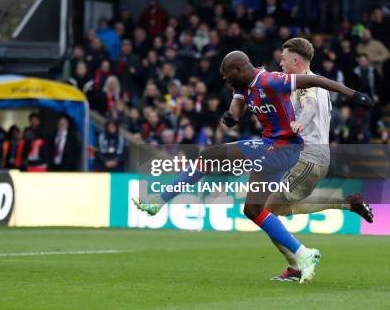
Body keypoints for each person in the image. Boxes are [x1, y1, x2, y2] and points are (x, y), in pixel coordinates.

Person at [133, 50, 373, 283]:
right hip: (272, 149)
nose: (224, 79)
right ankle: (303, 255)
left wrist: (353, 95)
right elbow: (236, 108)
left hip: (285, 147)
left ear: (238, 69)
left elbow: (316, 80)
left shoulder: (272, 80)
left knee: (208, 156)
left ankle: (160, 200)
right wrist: (231, 116)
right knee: (253, 211)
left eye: (226, 74)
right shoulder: (240, 85)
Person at [264, 38, 373, 281]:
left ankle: (296, 265)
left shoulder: (305, 84)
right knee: (279, 209)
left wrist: (301, 120)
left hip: (307, 156)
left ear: (296, 60)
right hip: (316, 157)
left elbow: (309, 105)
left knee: (262, 210)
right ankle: (346, 203)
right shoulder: (317, 82)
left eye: (283, 58)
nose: (280, 62)